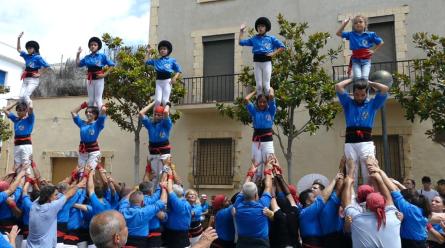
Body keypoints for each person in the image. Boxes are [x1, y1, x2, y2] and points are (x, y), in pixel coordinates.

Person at [335, 78, 389, 186]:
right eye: (356, 94)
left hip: (366, 143)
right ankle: (351, 198)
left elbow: (384, 89)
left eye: (362, 95)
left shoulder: (373, 104)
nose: (359, 97)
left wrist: (370, 83)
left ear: (367, 93)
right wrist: (353, 79)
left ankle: (368, 197)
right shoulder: (347, 103)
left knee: (368, 172)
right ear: (353, 93)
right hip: (350, 142)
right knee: (351, 172)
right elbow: (338, 86)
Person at [371, 159, 430, 248]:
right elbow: (403, 192)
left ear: (408, 200)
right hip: (422, 243)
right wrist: (397, 183)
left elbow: (394, 191)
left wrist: (379, 171)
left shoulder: (410, 210)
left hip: (411, 243)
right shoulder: (420, 208)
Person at [344, 157, 402, 248]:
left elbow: (347, 203)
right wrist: (377, 173)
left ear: (366, 205)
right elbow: (389, 198)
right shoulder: (393, 217)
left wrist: (349, 177)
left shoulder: (358, 220)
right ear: (384, 204)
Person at [239, 17, 285, 96]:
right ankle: (259, 104)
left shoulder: (271, 38)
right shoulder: (254, 39)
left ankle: (269, 103)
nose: (260, 28)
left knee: (266, 86)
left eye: (262, 26)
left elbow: (282, 47)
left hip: (266, 62)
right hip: (257, 62)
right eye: (258, 26)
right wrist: (241, 31)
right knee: (259, 86)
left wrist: (273, 53)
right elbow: (241, 42)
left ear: (266, 28)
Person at [233, 159, 273, 247]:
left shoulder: (237, 204)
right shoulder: (262, 205)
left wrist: (251, 172)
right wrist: (268, 169)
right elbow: (268, 187)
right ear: (256, 195)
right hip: (261, 244)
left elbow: (244, 189)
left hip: (242, 244)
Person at [26, 183, 79, 247]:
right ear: (49, 197)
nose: (57, 197)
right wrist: (79, 184)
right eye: (55, 195)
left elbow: (42, 194)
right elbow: (69, 194)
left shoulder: (33, 206)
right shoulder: (51, 207)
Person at [336, 15, 384, 80]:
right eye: (355, 23)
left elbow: (381, 42)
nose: (358, 23)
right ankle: (359, 88)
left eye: (360, 22)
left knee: (364, 78)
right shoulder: (351, 34)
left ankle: (368, 89)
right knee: (358, 78)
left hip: (366, 61)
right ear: (354, 26)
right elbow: (338, 33)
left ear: (365, 24)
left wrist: (373, 51)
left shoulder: (370, 35)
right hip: (356, 61)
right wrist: (344, 24)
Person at [244, 88, 276, 180]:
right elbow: (246, 99)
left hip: (267, 141)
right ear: (257, 103)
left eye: (264, 102)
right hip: (256, 141)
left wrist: (270, 89)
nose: (262, 104)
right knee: (256, 164)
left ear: (267, 103)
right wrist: (255, 91)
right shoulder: (254, 112)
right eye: (260, 102)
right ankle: (255, 183)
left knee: (269, 162)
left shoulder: (271, 111)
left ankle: (269, 185)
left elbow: (271, 96)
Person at [139, 101, 172, 187]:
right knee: (153, 177)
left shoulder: (166, 124)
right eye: (155, 114)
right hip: (153, 154)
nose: (157, 116)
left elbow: (165, 112)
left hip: (163, 154)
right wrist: (154, 103)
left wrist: (168, 104)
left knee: (163, 177)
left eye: (159, 115)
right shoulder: (150, 123)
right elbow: (141, 113)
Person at [76, 36, 115, 108]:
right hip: (90, 80)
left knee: (98, 100)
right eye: (91, 45)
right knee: (91, 100)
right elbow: (78, 64)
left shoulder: (102, 56)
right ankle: (91, 118)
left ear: (98, 46)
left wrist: (104, 75)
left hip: (99, 79)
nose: (93, 46)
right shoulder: (87, 57)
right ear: (89, 46)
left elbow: (112, 65)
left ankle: (101, 117)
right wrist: (78, 54)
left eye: (95, 45)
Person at [145, 41, 181, 112]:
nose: (162, 50)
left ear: (168, 50)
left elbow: (179, 70)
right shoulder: (156, 61)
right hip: (158, 82)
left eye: (164, 49)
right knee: (157, 100)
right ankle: (155, 118)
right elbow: (146, 61)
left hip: (167, 82)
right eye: (161, 49)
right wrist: (148, 52)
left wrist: (175, 77)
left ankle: (166, 117)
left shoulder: (171, 60)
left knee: (165, 101)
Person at [71, 102, 107, 173]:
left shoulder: (98, 123)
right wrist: (83, 105)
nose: (88, 113)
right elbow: (73, 112)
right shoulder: (82, 123)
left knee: (89, 172)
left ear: (95, 114)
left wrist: (99, 102)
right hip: (83, 150)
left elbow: (103, 110)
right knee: (80, 172)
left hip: (93, 151)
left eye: (90, 112)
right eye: (87, 112)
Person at [16, 32, 50, 105]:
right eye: (27, 48)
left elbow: (47, 66)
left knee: (26, 96)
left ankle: (30, 109)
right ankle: (23, 113)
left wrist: (39, 74)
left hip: (33, 80)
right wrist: (18, 38)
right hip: (25, 79)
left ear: (34, 49)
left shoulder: (38, 57)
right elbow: (18, 49)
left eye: (30, 48)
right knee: (21, 97)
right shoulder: (26, 56)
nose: (28, 49)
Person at [2, 101, 35, 174]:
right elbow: (5, 110)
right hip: (17, 145)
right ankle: (18, 183)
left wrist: (29, 101)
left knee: (26, 164)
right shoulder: (15, 119)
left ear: (25, 110)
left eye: (21, 110)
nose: (19, 112)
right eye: (18, 111)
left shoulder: (30, 119)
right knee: (17, 165)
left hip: (26, 145)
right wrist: (16, 102)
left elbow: (31, 108)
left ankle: (27, 183)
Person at [163, 166, 192, 248]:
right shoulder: (181, 198)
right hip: (172, 235)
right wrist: (171, 172)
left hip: (179, 238)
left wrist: (169, 177)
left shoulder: (181, 204)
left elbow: (171, 193)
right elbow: (179, 183)